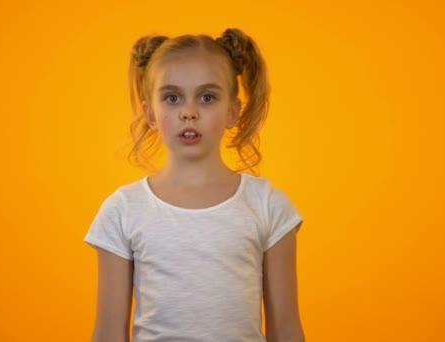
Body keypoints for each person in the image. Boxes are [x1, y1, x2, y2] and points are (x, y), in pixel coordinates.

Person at [84, 28, 305, 342]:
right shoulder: (123, 210)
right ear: (150, 114)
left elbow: (286, 330)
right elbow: (108, 332)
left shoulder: (269, 206)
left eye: (207, 97)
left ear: (233, 111)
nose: (189, 112)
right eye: (172, 98)